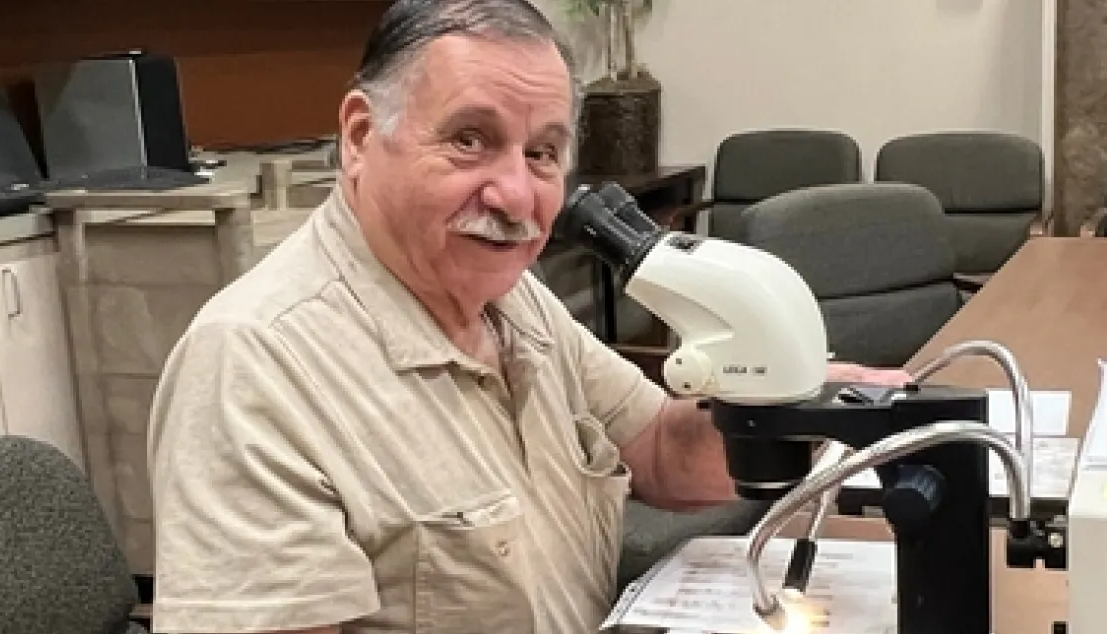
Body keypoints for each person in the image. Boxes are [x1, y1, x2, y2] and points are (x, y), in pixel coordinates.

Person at [144, 1, 911, 633]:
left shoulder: (508, 296)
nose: (516, 196)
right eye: (469, 140)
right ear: (358, 135)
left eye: (543, 154)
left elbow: (658, 449)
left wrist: (806, 410)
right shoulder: (254, 369)